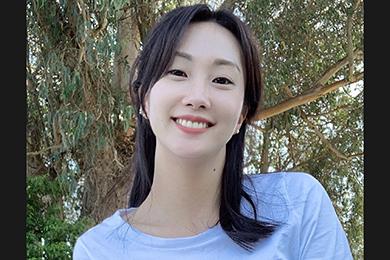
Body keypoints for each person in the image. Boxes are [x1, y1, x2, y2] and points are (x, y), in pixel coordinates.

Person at [73, 4, 353, 259]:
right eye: (178, 72)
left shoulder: (296, 205)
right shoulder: (97, 250)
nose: (197, 97)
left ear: (241, 115)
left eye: (221, 79)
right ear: (144, 98)